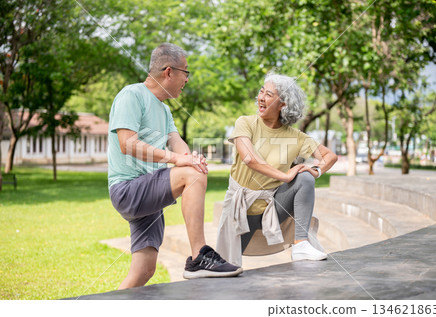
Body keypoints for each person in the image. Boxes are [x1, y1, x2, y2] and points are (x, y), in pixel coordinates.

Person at [108, 43, 242, 289]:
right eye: (186, 72)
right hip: (128, 189)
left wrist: (192, 158)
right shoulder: (132, 95)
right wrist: (179, 162)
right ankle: (199, 256)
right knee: (190, 175)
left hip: (148, 195)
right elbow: (127, 144)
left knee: (145, 269)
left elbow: (177, 143)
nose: (187, 80)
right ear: (169, 72)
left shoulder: (165, 109)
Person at [216, 73, 338, 267]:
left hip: (272, 208)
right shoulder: (245, 123)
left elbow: (330, 156)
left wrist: (316, 170)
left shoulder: (297, 137)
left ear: (283, 104)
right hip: (240, 209)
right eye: (261, 92)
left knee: (305, 178)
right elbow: (249, 158)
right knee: (225, 267)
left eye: (269, 94)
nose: (261, 98)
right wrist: (285, 175)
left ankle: (300, 244)